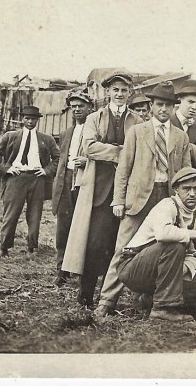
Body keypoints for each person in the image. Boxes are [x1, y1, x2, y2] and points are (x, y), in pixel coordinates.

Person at [94, 81, 191, 317]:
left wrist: (185, 203)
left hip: (167, 198)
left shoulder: (180, 137)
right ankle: (106, 302)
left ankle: (149, 299)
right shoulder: (137, 132)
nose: (163, 110)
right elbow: (123, 168)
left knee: (162, 248)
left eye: (168, 106)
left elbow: (186, 172)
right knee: (124, 248)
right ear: (151, 106)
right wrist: (118, 200)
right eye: (159, 105)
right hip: (138, 199)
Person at [61, 72, 143, 307]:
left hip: (126, 191)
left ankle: (107, 298)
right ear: (107, 92)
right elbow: (89, 148)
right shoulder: (94, 118)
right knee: (94, 242)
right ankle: (85, 294)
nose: (119, 94)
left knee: (116, 245)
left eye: (124, 90)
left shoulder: (137, 121)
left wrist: (118, 153)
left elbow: (140, 148)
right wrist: (121, 152)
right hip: (99, 190)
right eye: (115, 90)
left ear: (129, 93)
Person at [116, 168, 196, 322]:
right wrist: (193, 234)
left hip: (166, 272)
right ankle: (162, 309)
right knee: (174, 244)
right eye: (186, 189)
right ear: (176, 190)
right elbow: (163, 234)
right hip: (134, 268)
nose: (192, 193)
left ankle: (151, 299)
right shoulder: (167, 205)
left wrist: (181, 269)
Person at [0, 105, 60, 258]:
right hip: (16, 178)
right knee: (11, 214)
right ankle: (4, 248)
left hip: (37, 179)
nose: (30, 122)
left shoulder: (46, 139)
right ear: (22, 119)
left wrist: (47, 171)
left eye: (33, 119)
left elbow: (58, 158)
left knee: (35, 215)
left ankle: (32, 248)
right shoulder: (11, 136)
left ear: (37, 120)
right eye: (27, 118)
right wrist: (6, 169)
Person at [52, 88, 94, 285]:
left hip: (85, 181)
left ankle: (80, 267)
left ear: (90, 108)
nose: (77, 110)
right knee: (63, 226)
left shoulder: (95, 130)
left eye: (81, 106)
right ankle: (61, 269)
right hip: (67, 180)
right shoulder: (67, 133)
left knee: (83, 225)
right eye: (74, 107)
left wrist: (87, 161)